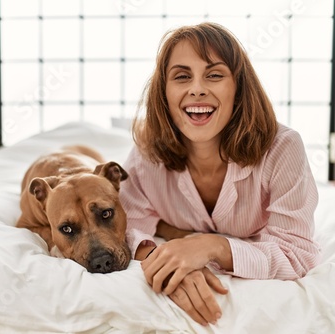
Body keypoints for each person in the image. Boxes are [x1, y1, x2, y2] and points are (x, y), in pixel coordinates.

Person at [119, 22, 321, 326]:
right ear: (164, 92)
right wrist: (169, 263)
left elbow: (296, 253)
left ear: (238, 88)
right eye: (182, 76)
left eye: (214, 75)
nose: (197, 88)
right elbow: (127, 228)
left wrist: (211, 246)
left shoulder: (283, 149)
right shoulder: (146, 155)